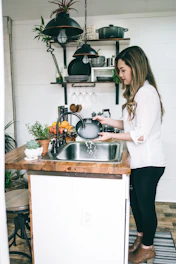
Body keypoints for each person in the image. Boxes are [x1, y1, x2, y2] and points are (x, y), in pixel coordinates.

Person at [93, 46, 166, 264]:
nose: (120, 75)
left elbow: (140, 134)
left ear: (135, 67)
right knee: (136, 204)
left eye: (123, 70)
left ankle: (147, 248)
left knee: (145, 206)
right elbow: (128, 124)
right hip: (139, 162)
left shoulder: (147, 93)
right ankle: (141, 239)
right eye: (119, 70)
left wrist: (111, 137)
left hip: (149, 162)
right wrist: (107, 123)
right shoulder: (138, 93)